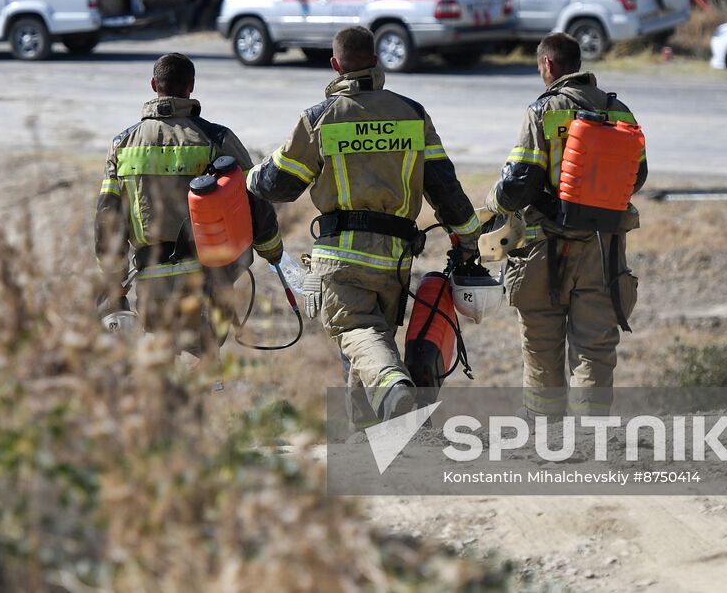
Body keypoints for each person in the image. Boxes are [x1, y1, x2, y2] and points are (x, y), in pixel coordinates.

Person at [248, 26, 482, 426]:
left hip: (340, 255)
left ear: (336, 65)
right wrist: (468, 236)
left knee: (356, 332)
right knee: (367, 345)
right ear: (376, 61)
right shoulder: (412, 113)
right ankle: (370, 436)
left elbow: (277, 185)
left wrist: (249, 177)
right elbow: (444, 186)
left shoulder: (320, 119)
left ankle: (394, 388)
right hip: (394, 259)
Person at [486, 32, 647, 419]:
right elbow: (637, 174)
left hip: (544, 250)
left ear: (548, 65)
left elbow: (519, 183)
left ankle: (546, 439)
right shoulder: (619, 110)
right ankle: (591, 440)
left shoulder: (542, 110)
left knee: (542, 349)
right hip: (603, 250)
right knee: (594, 349)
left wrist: (493, 204)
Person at [95, 53, 284, 357]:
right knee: (206, 361)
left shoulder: (123, 144)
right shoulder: (217, 139)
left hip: (151, 280)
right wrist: (272, 250)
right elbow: (254, 201)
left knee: (162, 361)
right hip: (207, 275)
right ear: (191, 87)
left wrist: (114, 280)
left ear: (154, 84)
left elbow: (108, 218)